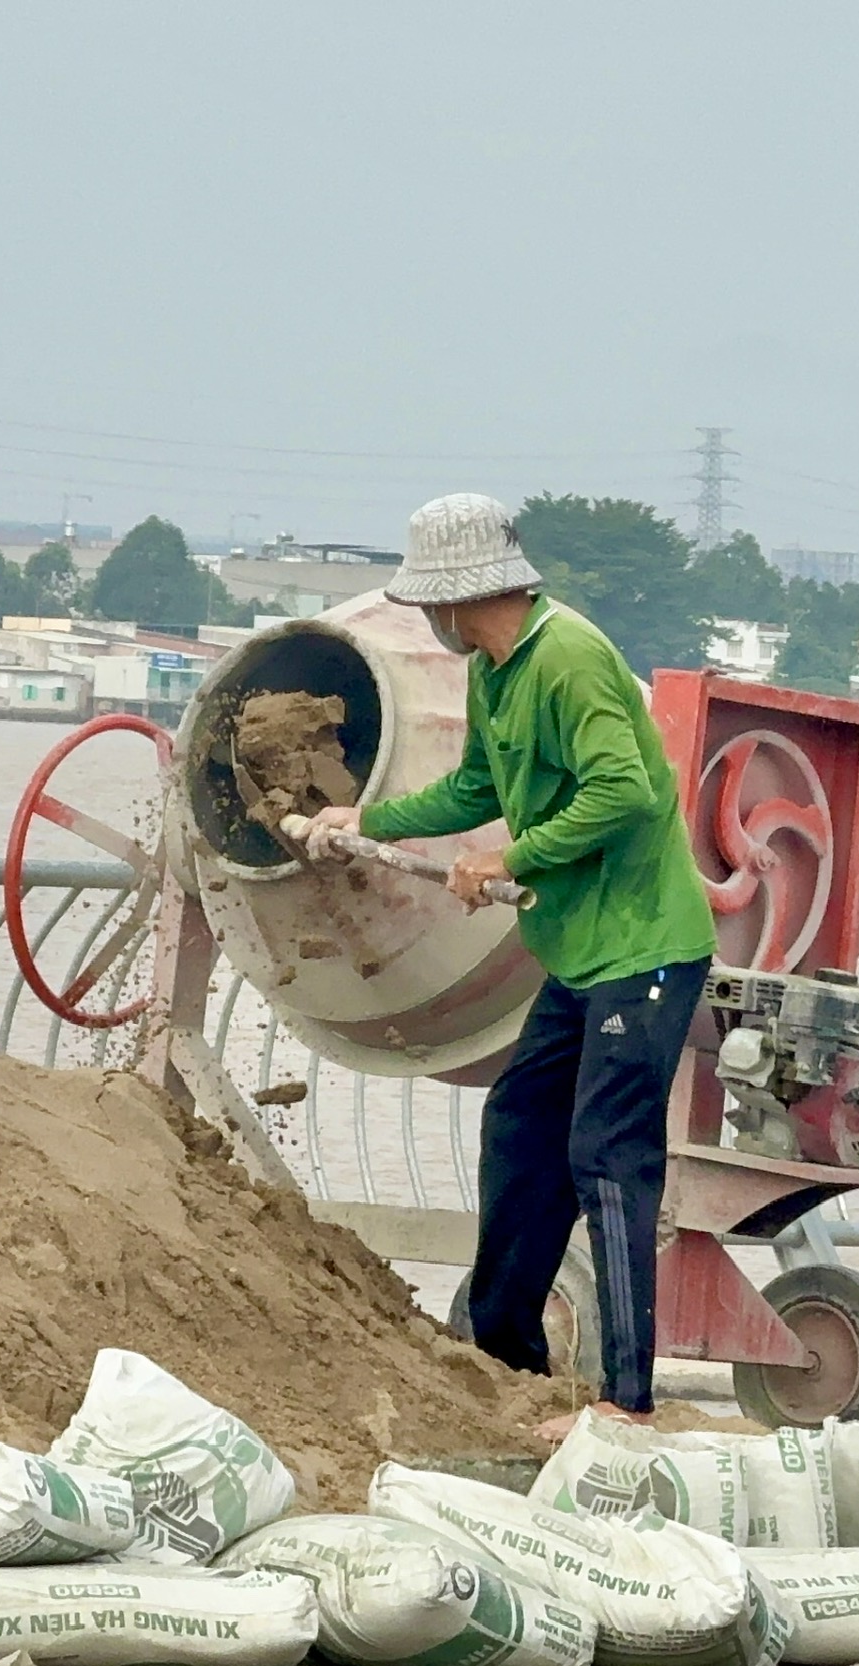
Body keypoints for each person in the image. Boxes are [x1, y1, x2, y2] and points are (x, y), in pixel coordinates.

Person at [307, 491, 716, 1427]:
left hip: (645, 950)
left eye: (429, 606)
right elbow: (476, 786)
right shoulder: (495, 673)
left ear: (460, 596)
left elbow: (626, 794)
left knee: (608, 1158)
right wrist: (363, 817)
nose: (428, 622)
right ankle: (504, 1355)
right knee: (520, 1128)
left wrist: (511, 858)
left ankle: (629, 1400)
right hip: (579, 954)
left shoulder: (567, 658)